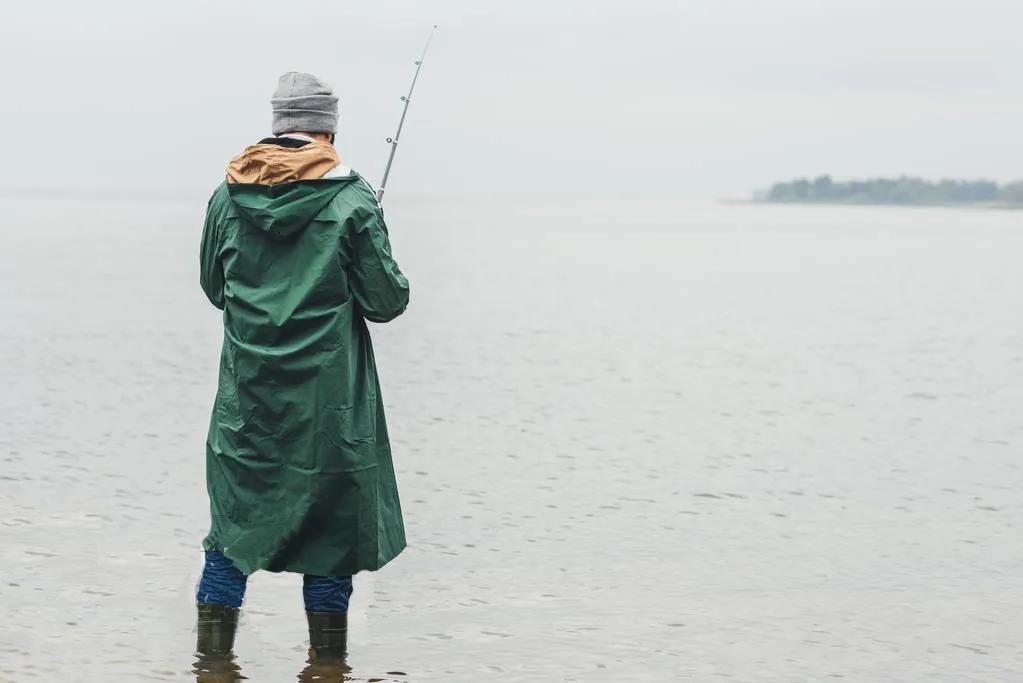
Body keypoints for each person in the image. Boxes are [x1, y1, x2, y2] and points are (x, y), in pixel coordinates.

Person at [195, 72, 410, 661]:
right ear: (329, 128)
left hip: (248, 406)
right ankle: (325, 669)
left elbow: (215, 288)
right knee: (331, 542)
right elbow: (387, 303)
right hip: (329, 408)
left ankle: (211, 669)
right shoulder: (352, 199)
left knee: (231, 538)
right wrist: (373, 231)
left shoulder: (225, 197)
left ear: (277, 125)